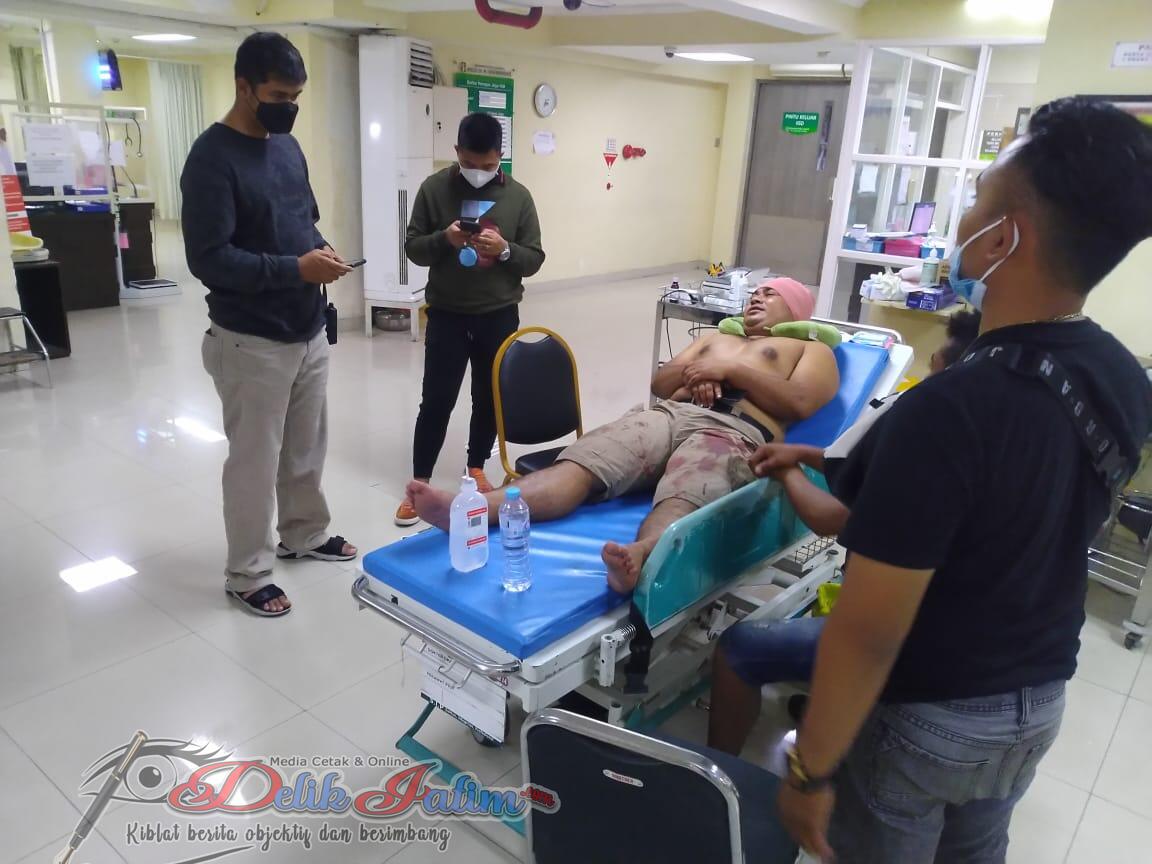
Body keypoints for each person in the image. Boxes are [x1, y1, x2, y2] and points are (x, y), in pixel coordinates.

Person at [772, 97, 1152, 863]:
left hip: (931, 717)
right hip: (1036, 700)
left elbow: (870, 630)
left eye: (977, 199)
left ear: (1004, 237)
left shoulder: (950, 409)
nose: (962, 219)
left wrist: (810, 769)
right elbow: (1014, 501)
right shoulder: (1119, 373)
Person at [409, 277, 840, 592]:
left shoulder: (810, 349)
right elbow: (661, 382)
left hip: (731, 429)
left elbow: (801, 401)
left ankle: (640, 556)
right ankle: (472, 511)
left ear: (797, 311)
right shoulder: (716, 338)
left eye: (771, 293)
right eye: (756, 292)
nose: (757, 297)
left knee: (686, 494)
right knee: (585, 461)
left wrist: (729, 371)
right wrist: (699, 372)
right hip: (670, 413)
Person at [707, 310, 982, 754]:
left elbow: (832, 518)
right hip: (967, 635)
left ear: (942, 364)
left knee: (740, 648)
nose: (758, 298)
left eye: (773, 293)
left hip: (908, 640)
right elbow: (855, 459)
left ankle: (723, 770)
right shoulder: (987, 427)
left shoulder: (917, 420)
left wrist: (787, 471)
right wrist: (802, 453)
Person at [182, 32, 358, 618]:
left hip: (306, 327)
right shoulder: (211, 159)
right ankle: (247, 572)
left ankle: (303, 534)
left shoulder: (287, 147)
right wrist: (295, 268)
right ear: (244, 87)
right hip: (250, 339)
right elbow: (209, 259)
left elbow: (303, 219)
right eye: (280, 95)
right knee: (255, 463)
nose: (290, 107)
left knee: (306, 446)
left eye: (297, 96)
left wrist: (321, 250)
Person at [395, 113, 546, 526]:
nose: (478, 172)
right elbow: (413, 249)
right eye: (469, 163)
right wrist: (444, 239)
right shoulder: (434, 189)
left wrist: (505, 249)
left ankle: (476, 466)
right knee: (436, 399)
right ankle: (420, 483)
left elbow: (534, 259)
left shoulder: (519, 197)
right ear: (457, 152)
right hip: (447, 313)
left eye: (487, 164)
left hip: (498, 313)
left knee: (489, 396)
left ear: (501, 155)